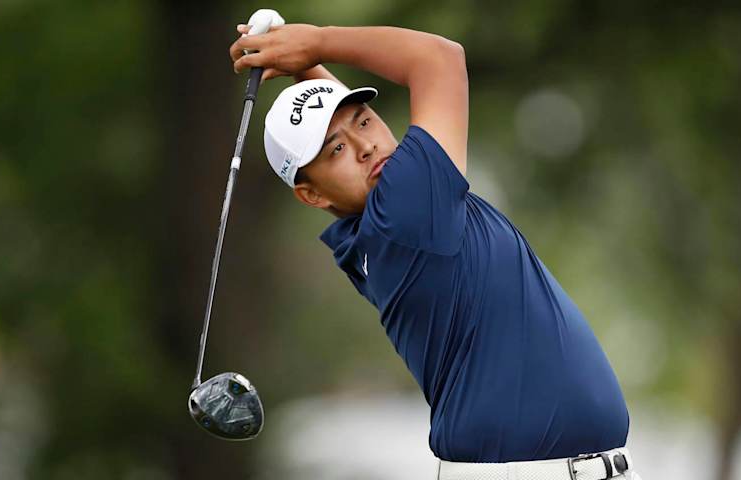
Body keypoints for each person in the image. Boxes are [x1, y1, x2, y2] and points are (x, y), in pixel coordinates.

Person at [229, 23, 642, 480]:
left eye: (365, 120)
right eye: (337, 150)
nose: (366, 146)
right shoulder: (405, 212)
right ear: (311, 196)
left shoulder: (364, 232)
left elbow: (344, 138)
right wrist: (316, 41)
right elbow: (440, 59)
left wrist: (304, 64)